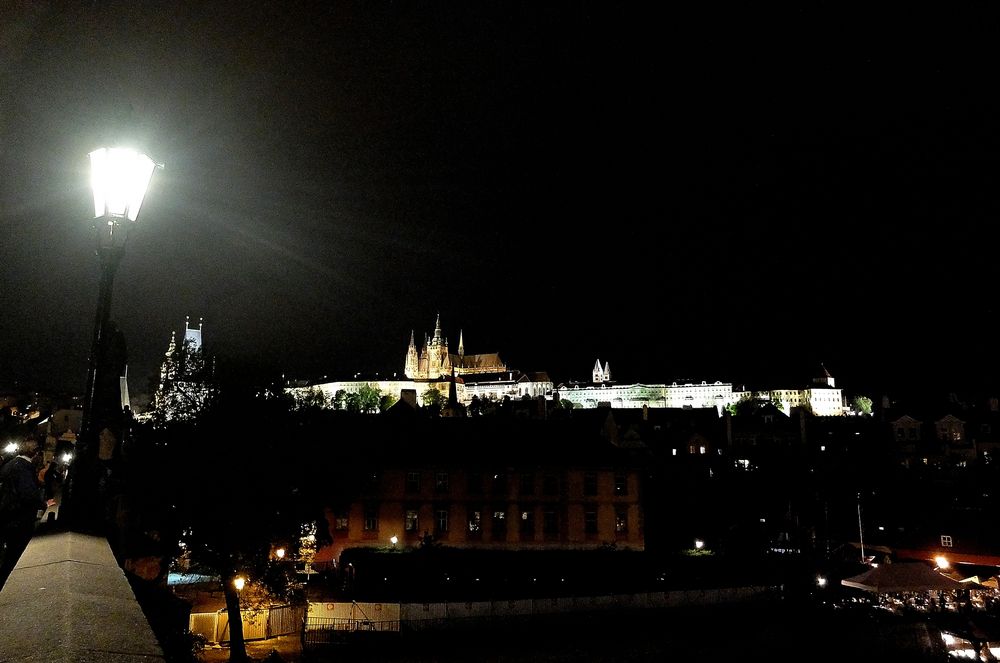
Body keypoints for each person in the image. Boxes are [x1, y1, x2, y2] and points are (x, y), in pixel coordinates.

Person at [0, 439, 53, 587]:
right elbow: (28, 494)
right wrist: (43, 504)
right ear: (35, 454)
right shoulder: (24, 467)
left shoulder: (9, 465)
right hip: (18, 519)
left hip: (6, 516)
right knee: (14, 555)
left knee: (7, 554)